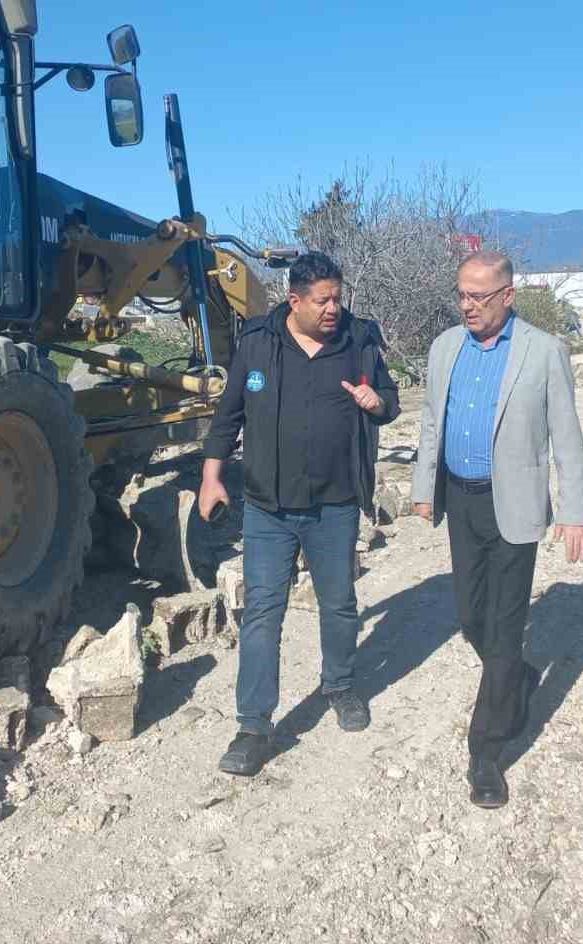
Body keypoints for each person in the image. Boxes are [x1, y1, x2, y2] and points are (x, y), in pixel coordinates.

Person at [199, 251, 401, 776]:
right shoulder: (257, 344)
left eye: (338, 298)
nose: (334, 309)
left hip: (335, 504)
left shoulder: (359, 340)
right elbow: (227, 417)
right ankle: (253, 726)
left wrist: (376, 402)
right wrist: (211, 477)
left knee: (339, 604)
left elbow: (391, 399)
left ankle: (340, 686)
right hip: (268, 508)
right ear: (294, 300)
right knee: (263, 612)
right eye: (322, 301)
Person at [411, 250, 583, 809]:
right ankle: (514, 676)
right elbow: (432, 421)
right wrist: (422, 487)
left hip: (513, 503)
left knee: (507, 623)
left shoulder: (544, 350)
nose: (467, 306)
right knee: (471, 616)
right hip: (461, 501)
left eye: (478, 296)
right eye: (461, 294)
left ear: (507, 296)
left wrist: (575, 512)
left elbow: (567, 437)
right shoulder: (445, 347)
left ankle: (487, 751)